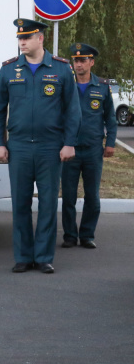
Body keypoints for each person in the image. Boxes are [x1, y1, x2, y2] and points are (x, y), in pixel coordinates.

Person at [0, 19, 81, 274]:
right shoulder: (9, 70)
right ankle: (22, 256)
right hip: (18, 147)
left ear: (40, 38)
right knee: (20, 203)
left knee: (48, 203)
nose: (22, 42)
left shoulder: (62, 69)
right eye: (20, 38)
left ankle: (43, 257)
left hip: (50, 148)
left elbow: (72, 111)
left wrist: (69, 143)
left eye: (27, 37)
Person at [61, 43, 116, 249]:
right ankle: (69, 235)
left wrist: (110, 143)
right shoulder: (66, 85)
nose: (79, 64)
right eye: (76, 60)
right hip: (70, 148)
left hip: (93, 149)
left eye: (83, 60)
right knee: (68, 195)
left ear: (91, 62)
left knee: (92, 195)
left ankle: (87, 235)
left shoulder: (101, 86)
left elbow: (110, 118)